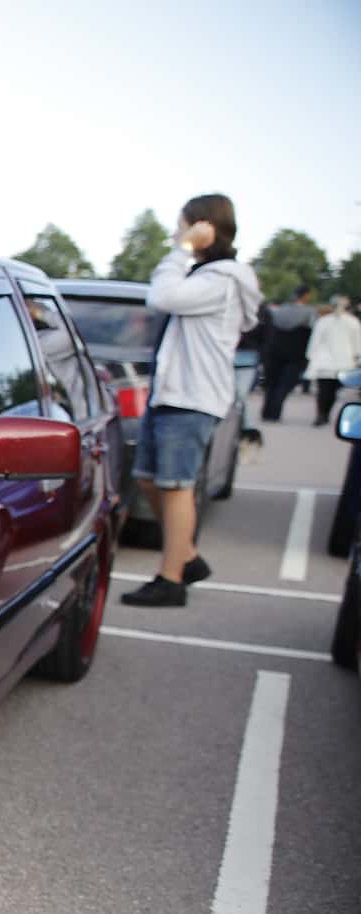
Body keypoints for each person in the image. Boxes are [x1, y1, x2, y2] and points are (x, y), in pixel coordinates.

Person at [120, 194, 263, 608]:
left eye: (181, 226)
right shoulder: (207, 276)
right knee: (149, 479)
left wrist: (181, 249)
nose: (175, 233)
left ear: (204, 228)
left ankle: (171, 580)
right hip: (172, 393)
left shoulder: (220, 279)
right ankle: (186, 557)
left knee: (176, 487)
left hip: (192, 396)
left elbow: (162, 297)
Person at [259, 284, 315, 421]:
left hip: (274, 351)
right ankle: (275, 410)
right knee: (285, 384)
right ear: (306, 295)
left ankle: (267, 412)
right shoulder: (309, 313)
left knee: (271, 383)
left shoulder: (278, 311)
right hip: (296, 353)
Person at [304, 296, 361, 425]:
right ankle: (325, 413)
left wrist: (311, 357)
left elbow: (315, 342)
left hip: (324, 362)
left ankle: (321, 414)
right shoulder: (353, 322)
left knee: (323, 390)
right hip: (344, 362)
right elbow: (357, 344)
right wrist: (358, 358)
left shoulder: (323, 321)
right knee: (333, 391)